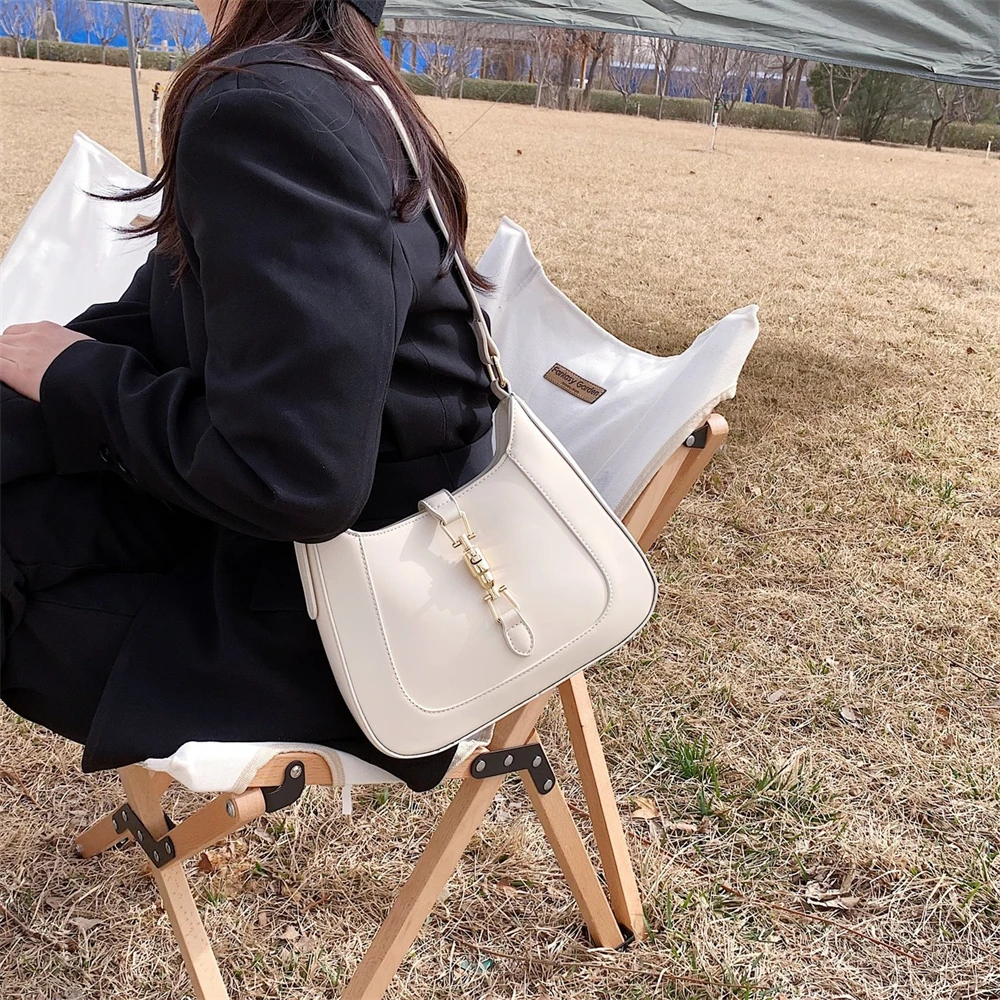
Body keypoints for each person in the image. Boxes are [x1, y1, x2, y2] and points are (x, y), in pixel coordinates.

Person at [0, 0, 495, 792]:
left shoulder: (265, 106)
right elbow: (164, 314)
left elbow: (295, 476)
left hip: (348, 628)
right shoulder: (335, 84)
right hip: (325, 561)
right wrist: (44, 378)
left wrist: (74, 378)